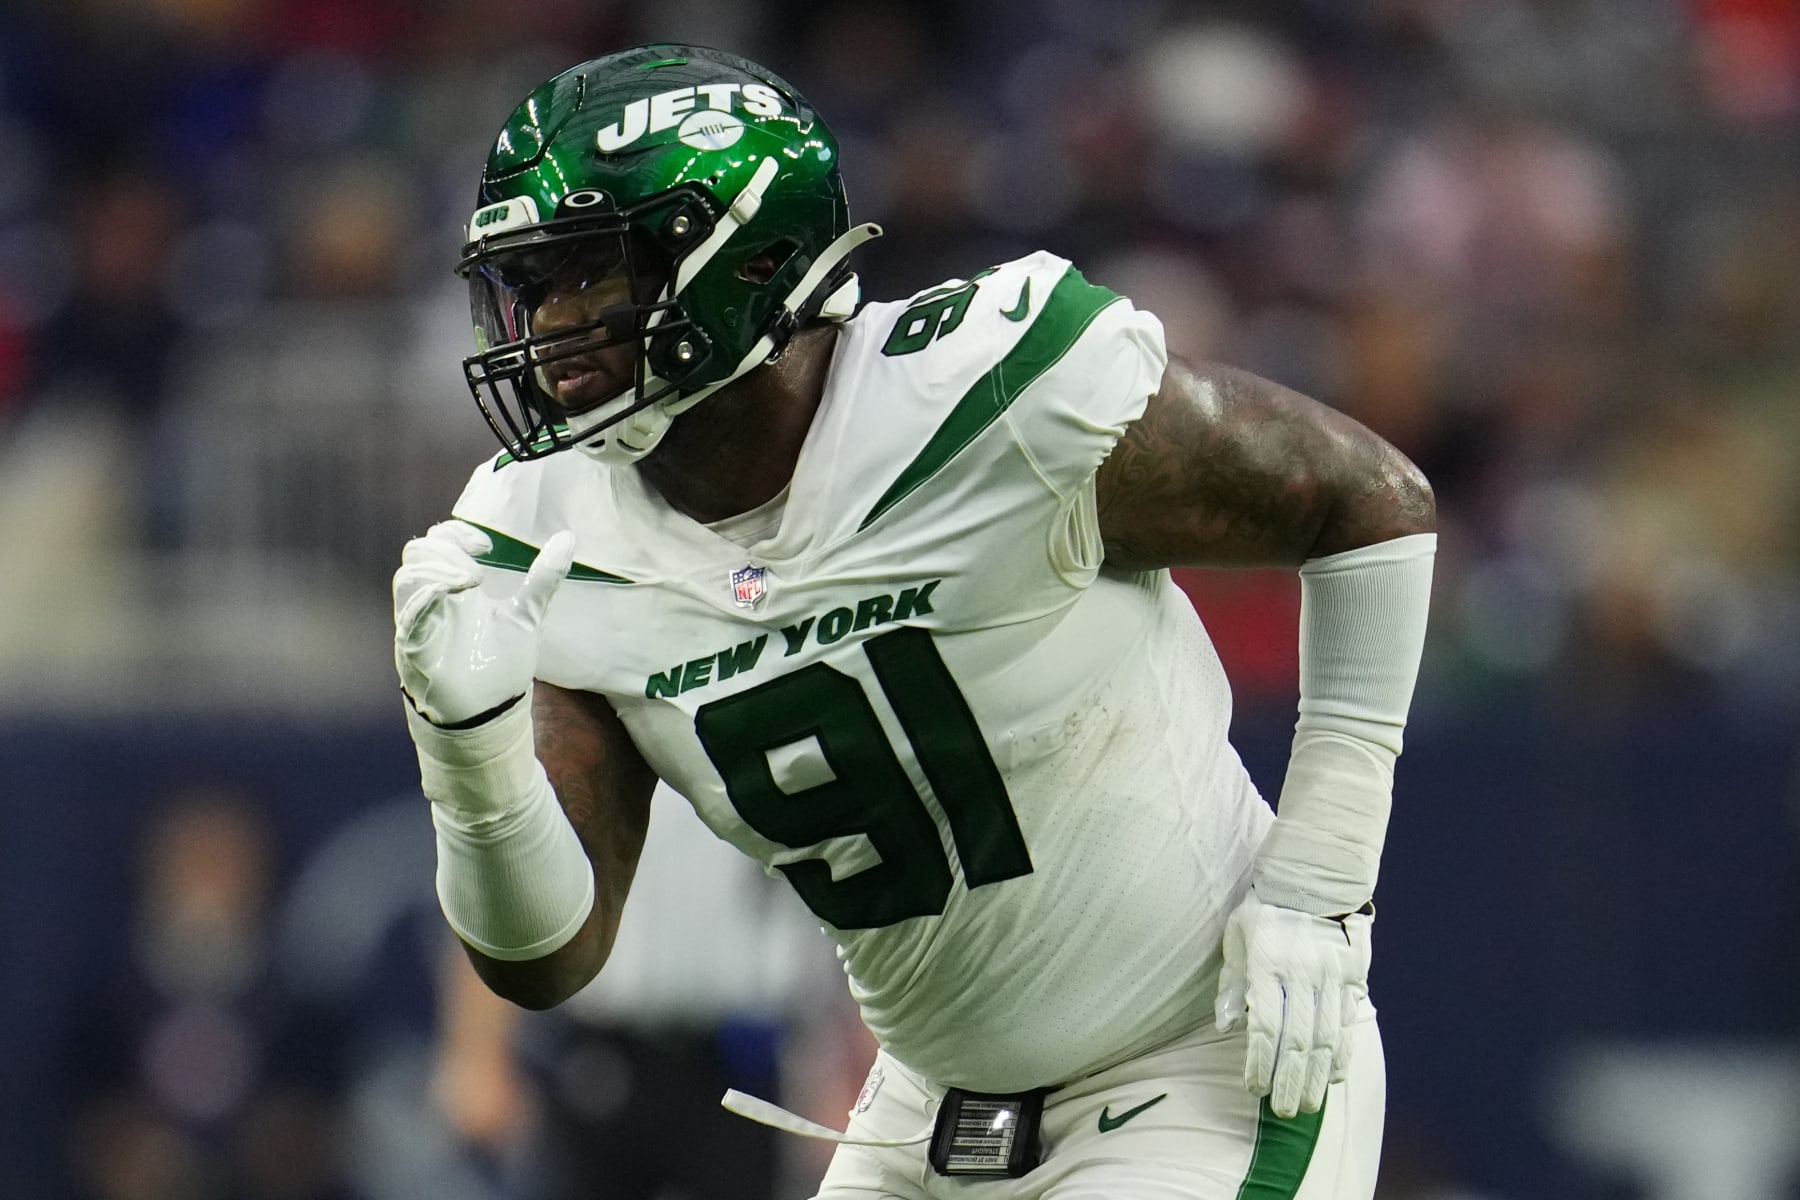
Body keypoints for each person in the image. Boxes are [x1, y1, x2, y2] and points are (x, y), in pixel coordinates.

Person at [392, 43, 1436, 1200]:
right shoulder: (546, 529)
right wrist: (471, 758)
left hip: (1197, 1063)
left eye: (588, 275)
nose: (548, 325)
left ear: (748, 256)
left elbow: (1368, 503)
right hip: (928, 1107)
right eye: (529, 286)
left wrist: (1319, 880)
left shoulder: (987, 397)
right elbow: (547, 958)